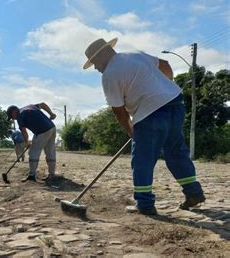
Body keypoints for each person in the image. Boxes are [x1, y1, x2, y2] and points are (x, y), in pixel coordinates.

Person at [83, 37, 205, 215]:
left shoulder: (109, 74)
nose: (95, 67)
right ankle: (194, 193)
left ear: (102, 55)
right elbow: (165, 65)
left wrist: (131, 130)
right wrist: (162, 87)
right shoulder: (135, 55)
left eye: (94, 63)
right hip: (175, 104)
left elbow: (119, 111)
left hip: (149, 114)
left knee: (142, 159)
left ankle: (145, 205)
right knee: (176, 151)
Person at [6, 103, 57, 182]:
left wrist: (27, 143)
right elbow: (43, 104)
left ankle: (31, 175)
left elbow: (24, 133)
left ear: (14, 112)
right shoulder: (30, 106)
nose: (13, 119)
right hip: (52, 128)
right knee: (50, 152)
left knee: (33, 152)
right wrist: (51, 114)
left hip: (42, 131)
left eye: (11, 117)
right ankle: (52, 175)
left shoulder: (20, 117)